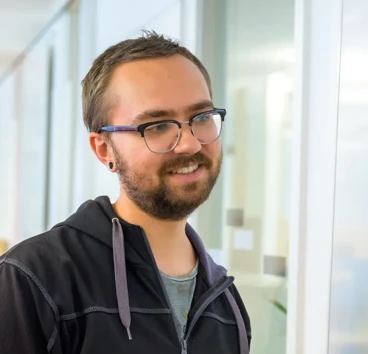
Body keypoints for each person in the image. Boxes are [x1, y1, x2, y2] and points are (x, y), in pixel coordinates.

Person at [0, 31, 251, 354]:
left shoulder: (226, 302)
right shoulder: (36, 279)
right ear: (104, 148)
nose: (189, 143)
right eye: (158, 125)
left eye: (201, 117)